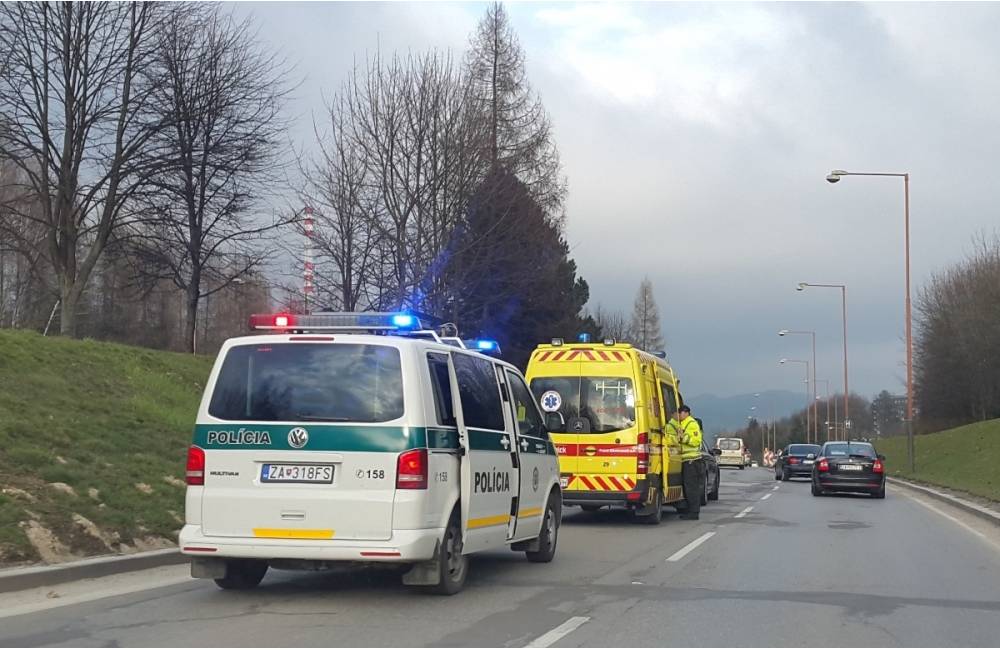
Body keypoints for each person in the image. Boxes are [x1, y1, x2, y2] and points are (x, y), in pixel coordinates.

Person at [669, 404, 704, 520]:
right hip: (685, 460)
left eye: (680, 413)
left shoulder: (691, 424)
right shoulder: (683, 424)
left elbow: (696, 440)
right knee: (686, 487)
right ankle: (689, 510)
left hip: (692, 461)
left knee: (691, 487)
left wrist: (683, 437)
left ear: (685, 413)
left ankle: (694, 512)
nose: (678, 416)